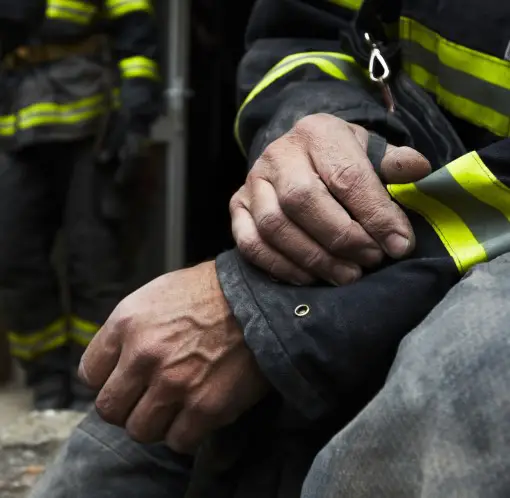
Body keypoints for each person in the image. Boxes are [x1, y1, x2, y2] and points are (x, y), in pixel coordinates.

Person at [30, 0, 510, 497]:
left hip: (465, 283)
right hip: (379, 213)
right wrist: (321, 135)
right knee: (107, 461)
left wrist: (271, 316)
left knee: (461, 386)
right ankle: (51, 382)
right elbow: (307, 28)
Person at [0, 0, 161, 410]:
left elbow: (137, 32)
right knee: (13, 259)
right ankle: (47, 385)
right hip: (15, 131)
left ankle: (91, 387)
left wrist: (136, 111)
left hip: (90, 129)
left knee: (94, 260)